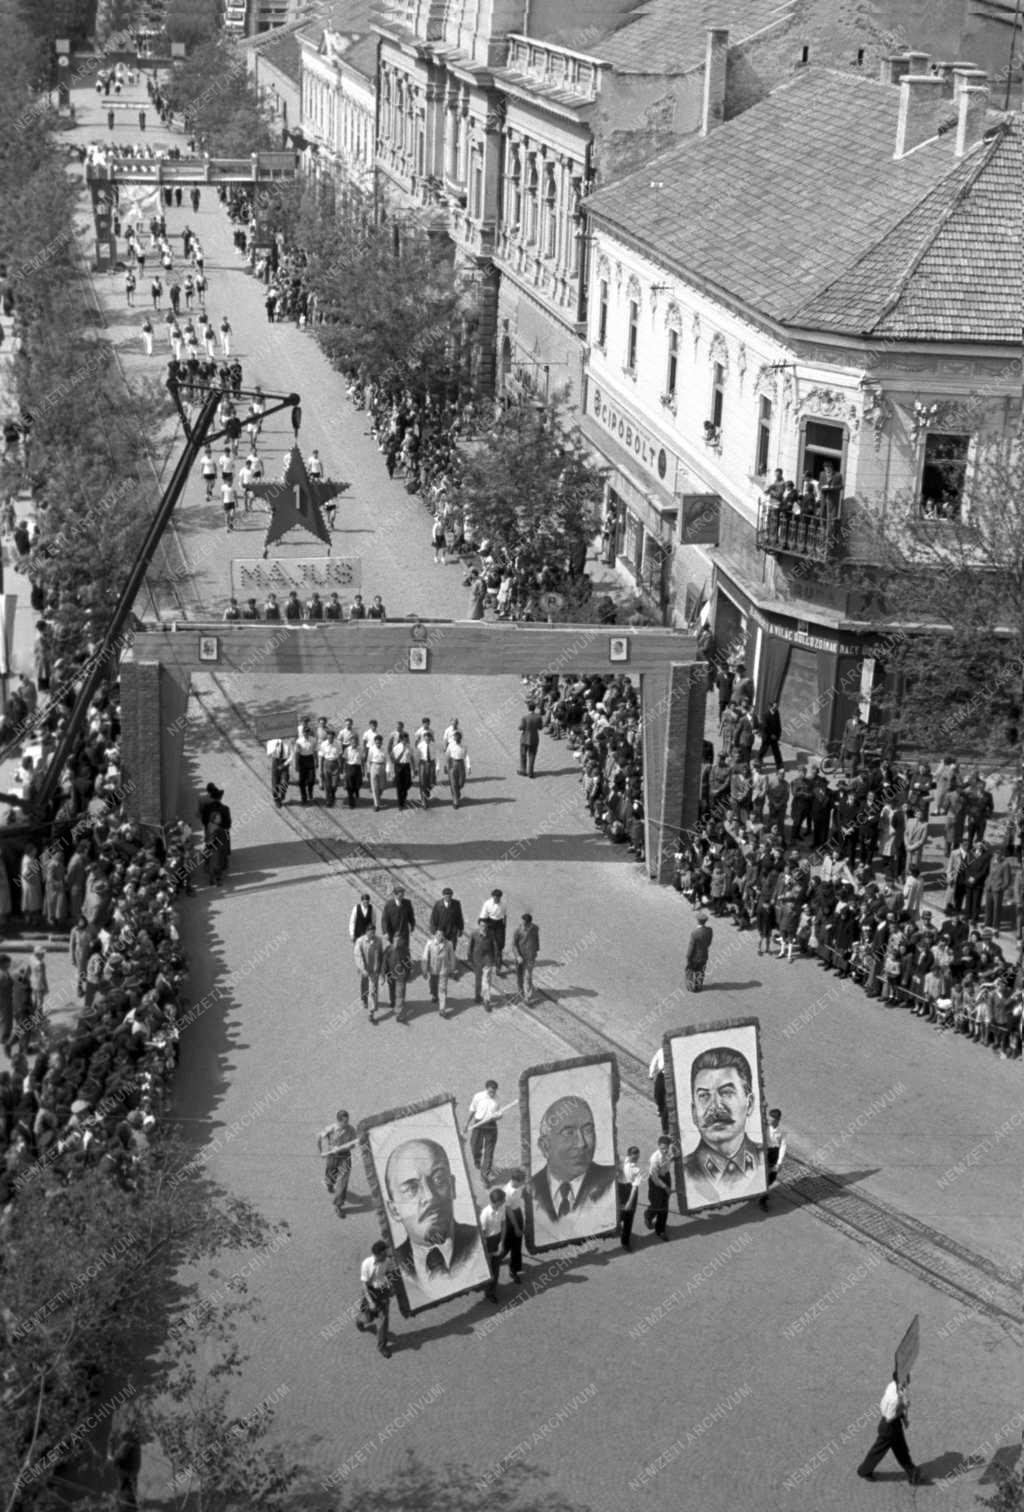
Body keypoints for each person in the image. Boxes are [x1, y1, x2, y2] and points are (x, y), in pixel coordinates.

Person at [384, 1139, 483, 1301]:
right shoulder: (397, 1264)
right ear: (395, 1210)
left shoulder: (477, 1243)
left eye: (438, 1180)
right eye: (411, 1189)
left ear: (453, 1187)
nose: (430, 1197)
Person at [681, 1046, 765, 1207]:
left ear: (749, 1103)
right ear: (693, 1112)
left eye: (726, 1092)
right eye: (704, 1096)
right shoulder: (684, 1173)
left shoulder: (764, 1160)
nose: (716, 1107)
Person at [527, 1094, 617, 1242]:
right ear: (545, 1146)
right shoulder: (531, 1190)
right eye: (568, 1133)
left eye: (588, 1130)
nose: (582, 1143)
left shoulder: (611, 1181)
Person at [857, 1375, 925, 1484]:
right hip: (890, 1428)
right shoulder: (894, 1398)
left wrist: (903, 1416)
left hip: (893, 1425)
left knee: (900, 1450)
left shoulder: (894, 1386)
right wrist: (903, 1407)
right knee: (882, 1451)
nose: (909, 1377)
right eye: (907, 1376)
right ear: (901, 1380)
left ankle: (912, 1473)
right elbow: (889, 1418)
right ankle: (864, 1471)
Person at [356, 1240, 395, 1358]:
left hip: (382, 1292)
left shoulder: (387, 1261)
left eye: (386, 1253)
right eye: (383, 1254)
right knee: (368, 1318)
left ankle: (382, 1346)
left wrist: (391, 1287)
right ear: (376, 1254)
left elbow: (389, 1273)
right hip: (370, 1293)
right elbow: (364, 1286)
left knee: (383, 1321)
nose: (385, 1256)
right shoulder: (366, 1264)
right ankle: (360, 1320)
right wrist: (371, 1302)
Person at [318, 1108, 357, 1216]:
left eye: (347, 1120)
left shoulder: (351, 1130)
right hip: (332, 1156)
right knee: (331, 1175)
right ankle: (329, 1183)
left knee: (342, 1182)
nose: (347, 1123)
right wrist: (321, 1152)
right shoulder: (331, 1129)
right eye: (344, 1121)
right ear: (338, 1121)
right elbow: (319, 1137)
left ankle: (338, 1205)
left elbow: (353, 1144)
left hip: (345, 1157)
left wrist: (345, 1147)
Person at [464, 1079, 501, 1185]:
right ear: (486, 1089)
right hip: (478, 1124)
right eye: (490, 1091)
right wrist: (466, 1124)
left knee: (489, 1152)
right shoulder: (478, 1096)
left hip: (491, 1126)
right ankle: (477, 1159)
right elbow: (472, 1110)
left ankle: (484, 1175)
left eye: (494, 1091)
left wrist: (496, 1116)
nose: (492, 1093)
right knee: (474, 1145)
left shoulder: (497, 1100)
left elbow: (500, 1114)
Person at [478, 1187, 506, 1303]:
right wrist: (488, 1253)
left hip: (497, 1238)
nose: (504, 1202)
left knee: (496, 1268)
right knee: (489, 1269)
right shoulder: (485, 1214)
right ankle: (487, 1291)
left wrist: (501, 1242)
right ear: (496, 1202)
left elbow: (503, 1225)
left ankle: (491, 1291)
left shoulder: (502, 1208)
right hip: (488, 1242)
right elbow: (482, 1236)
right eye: (502, 1201)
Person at [643, 1135, 673, 1239]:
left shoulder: (670, 1151)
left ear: (669, 1146)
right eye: (662, 1148)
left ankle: (660, 1230)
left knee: (664, 1206)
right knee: (656, 1204)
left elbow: (674, 1156)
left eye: (666, 1148)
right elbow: (655, 1178)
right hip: (655, 1180)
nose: (664, 1151)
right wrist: (666, 1187)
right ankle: (648, 1215)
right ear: (658, 1146)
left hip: (666, 1176)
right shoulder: (654, 1159)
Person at [422, 927, 456, 1017]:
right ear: (435, 935)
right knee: (433, 985)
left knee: (442, 988)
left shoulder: (449, 944)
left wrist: (452, 968)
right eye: (438, 934)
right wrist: (424, 970)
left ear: (444, 935)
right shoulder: (429, 943)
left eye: (442, 935)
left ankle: (442, 1008)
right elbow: (425, 957)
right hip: (433, 969)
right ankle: (434, 995)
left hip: (443, 970)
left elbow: (452, 957)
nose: (440, 936)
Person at [354, 922, 384, 1021]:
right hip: (364, 969)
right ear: (366, 932)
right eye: (370, 933)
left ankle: (371, 1011)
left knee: (373, 990)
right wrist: (362, 969)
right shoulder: (360, 941)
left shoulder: (378, 941)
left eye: (373, 933)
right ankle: (364, 999)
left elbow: (380, 955)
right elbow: (357, 956)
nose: (372, 935)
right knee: (364, 985)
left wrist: (381, 971)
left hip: (374, 971)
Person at [467, 917, 499, 1009]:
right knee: (478, 979)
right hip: (477, 960)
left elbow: (495, 947)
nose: (483, 927)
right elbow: (470, 947)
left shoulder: (491, 934)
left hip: (488, 960)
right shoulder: (474, 934)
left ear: (487, 926)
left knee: (486, 980)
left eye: (485, 926)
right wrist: (469, 959)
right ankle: (477, 995)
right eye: (482, 925)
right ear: (479, 925)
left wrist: (496, 959)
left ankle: (486, 1000)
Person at [758, 1108, 786, 1210]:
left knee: (772, 1177)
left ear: (778, 1120)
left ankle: (762, 1191)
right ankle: (762, 1199)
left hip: (775, 1153)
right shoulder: (765, 1127)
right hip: (765, 1152)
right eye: (769, 1118)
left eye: (772, 1119)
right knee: (763, 1176)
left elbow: (783, 1145)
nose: (770, 1120)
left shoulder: (782, 1130)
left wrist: (779, 1162)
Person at [501, 1169, 526, 1282]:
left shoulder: (516, 1185)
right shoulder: (507, 1192)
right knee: (511, 1244)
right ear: (515, 1181)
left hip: (517, 1212)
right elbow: (509, 1211)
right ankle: (512, 1270)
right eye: (521, 1182)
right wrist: (516, 1227)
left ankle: (514, 1267)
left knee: (515, 1244)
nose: (522, 1184)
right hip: (511, 1217)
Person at [512, 912, 539, 1005]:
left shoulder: (535, 929)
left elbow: (536, 939)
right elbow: (514, 945)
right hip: (520, 958)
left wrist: (536, 951)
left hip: (530, 957)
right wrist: (518, 956)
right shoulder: (518, 931)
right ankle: (520, 992)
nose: (522, 924)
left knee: (528, 976)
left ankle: (527, 996)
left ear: (529, 924)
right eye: (522, 922)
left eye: (524, 923)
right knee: (519, 977)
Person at [618, 1145, 642, 1249]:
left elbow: (634, 1188)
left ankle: (625, 1242)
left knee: (629, 1217)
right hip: (619, 1188)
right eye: (634, 1157)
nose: (636, 1159)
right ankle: (616, 1227)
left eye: (637, 1157)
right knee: (618, 1213)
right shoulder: (621, 1160)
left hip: (630, 1190)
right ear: (628, 1155)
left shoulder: (637, 1170)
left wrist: (629, 1202)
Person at [479, 888, 508, 973]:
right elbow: (483, 917)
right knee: (487, 943)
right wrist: (483, 928)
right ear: (492, 896)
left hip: (499, 925)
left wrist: (504, 926)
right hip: (489, 923)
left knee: (499, 945)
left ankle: (498, 966)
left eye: (498, 898)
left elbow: (505, 916)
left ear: (500, 897)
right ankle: (485, 961)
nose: (496, 899)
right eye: (495, 897)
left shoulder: (504, 904)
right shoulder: (487, 904)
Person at [686, 910, 713, 990]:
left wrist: (688, 957)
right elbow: (709, 942)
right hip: (704, 955)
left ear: (698, 921)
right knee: (700, 971)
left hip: (695, 957)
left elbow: (691, 947)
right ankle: (698, 986)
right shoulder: (709, 930)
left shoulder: (694, 933)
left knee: (690, 971)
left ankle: (691, 987)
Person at [518, 702, 543, 777]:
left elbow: (521, 727)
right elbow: (540, 728)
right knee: (532, 755)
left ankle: (523, 770)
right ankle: (530, 772)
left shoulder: (525, 717)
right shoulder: (538, 717)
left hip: (525, 738)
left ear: (528, 708)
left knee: (523, 754)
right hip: (534, 738)